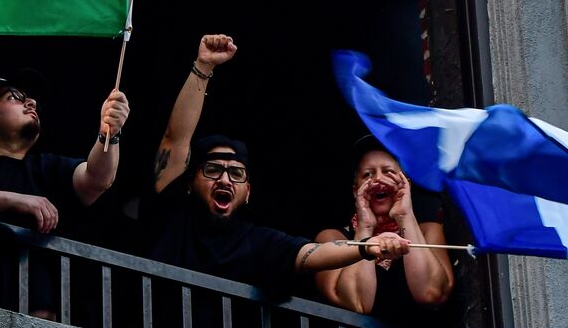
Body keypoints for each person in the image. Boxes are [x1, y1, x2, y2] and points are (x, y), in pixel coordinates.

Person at [146, 34, 409, 296]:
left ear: (247, 192)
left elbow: (310, 253)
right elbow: (176, 138)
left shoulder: (256, 242)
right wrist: (203, 67)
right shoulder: (175, 213)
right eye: (213, 170)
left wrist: (366, 246)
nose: (225, 180)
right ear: (190, 183)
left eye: (236, 173)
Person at [0, 72, 129, 318]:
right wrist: (13, 199)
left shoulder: (45, 167)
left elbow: (98, 179)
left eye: (30, 100)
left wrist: (110, 132)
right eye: (15, 98)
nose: (31, 103)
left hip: (38, 319)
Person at [313, 136, 454, 326]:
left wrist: (405, 215)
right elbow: (357, 304)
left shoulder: (429, 230)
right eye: (368, 175)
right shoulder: (332, 237)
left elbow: (431, 293)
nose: (379, 179)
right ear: (356, 191)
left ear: (406, 184)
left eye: (388, 172)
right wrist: (365, 228)